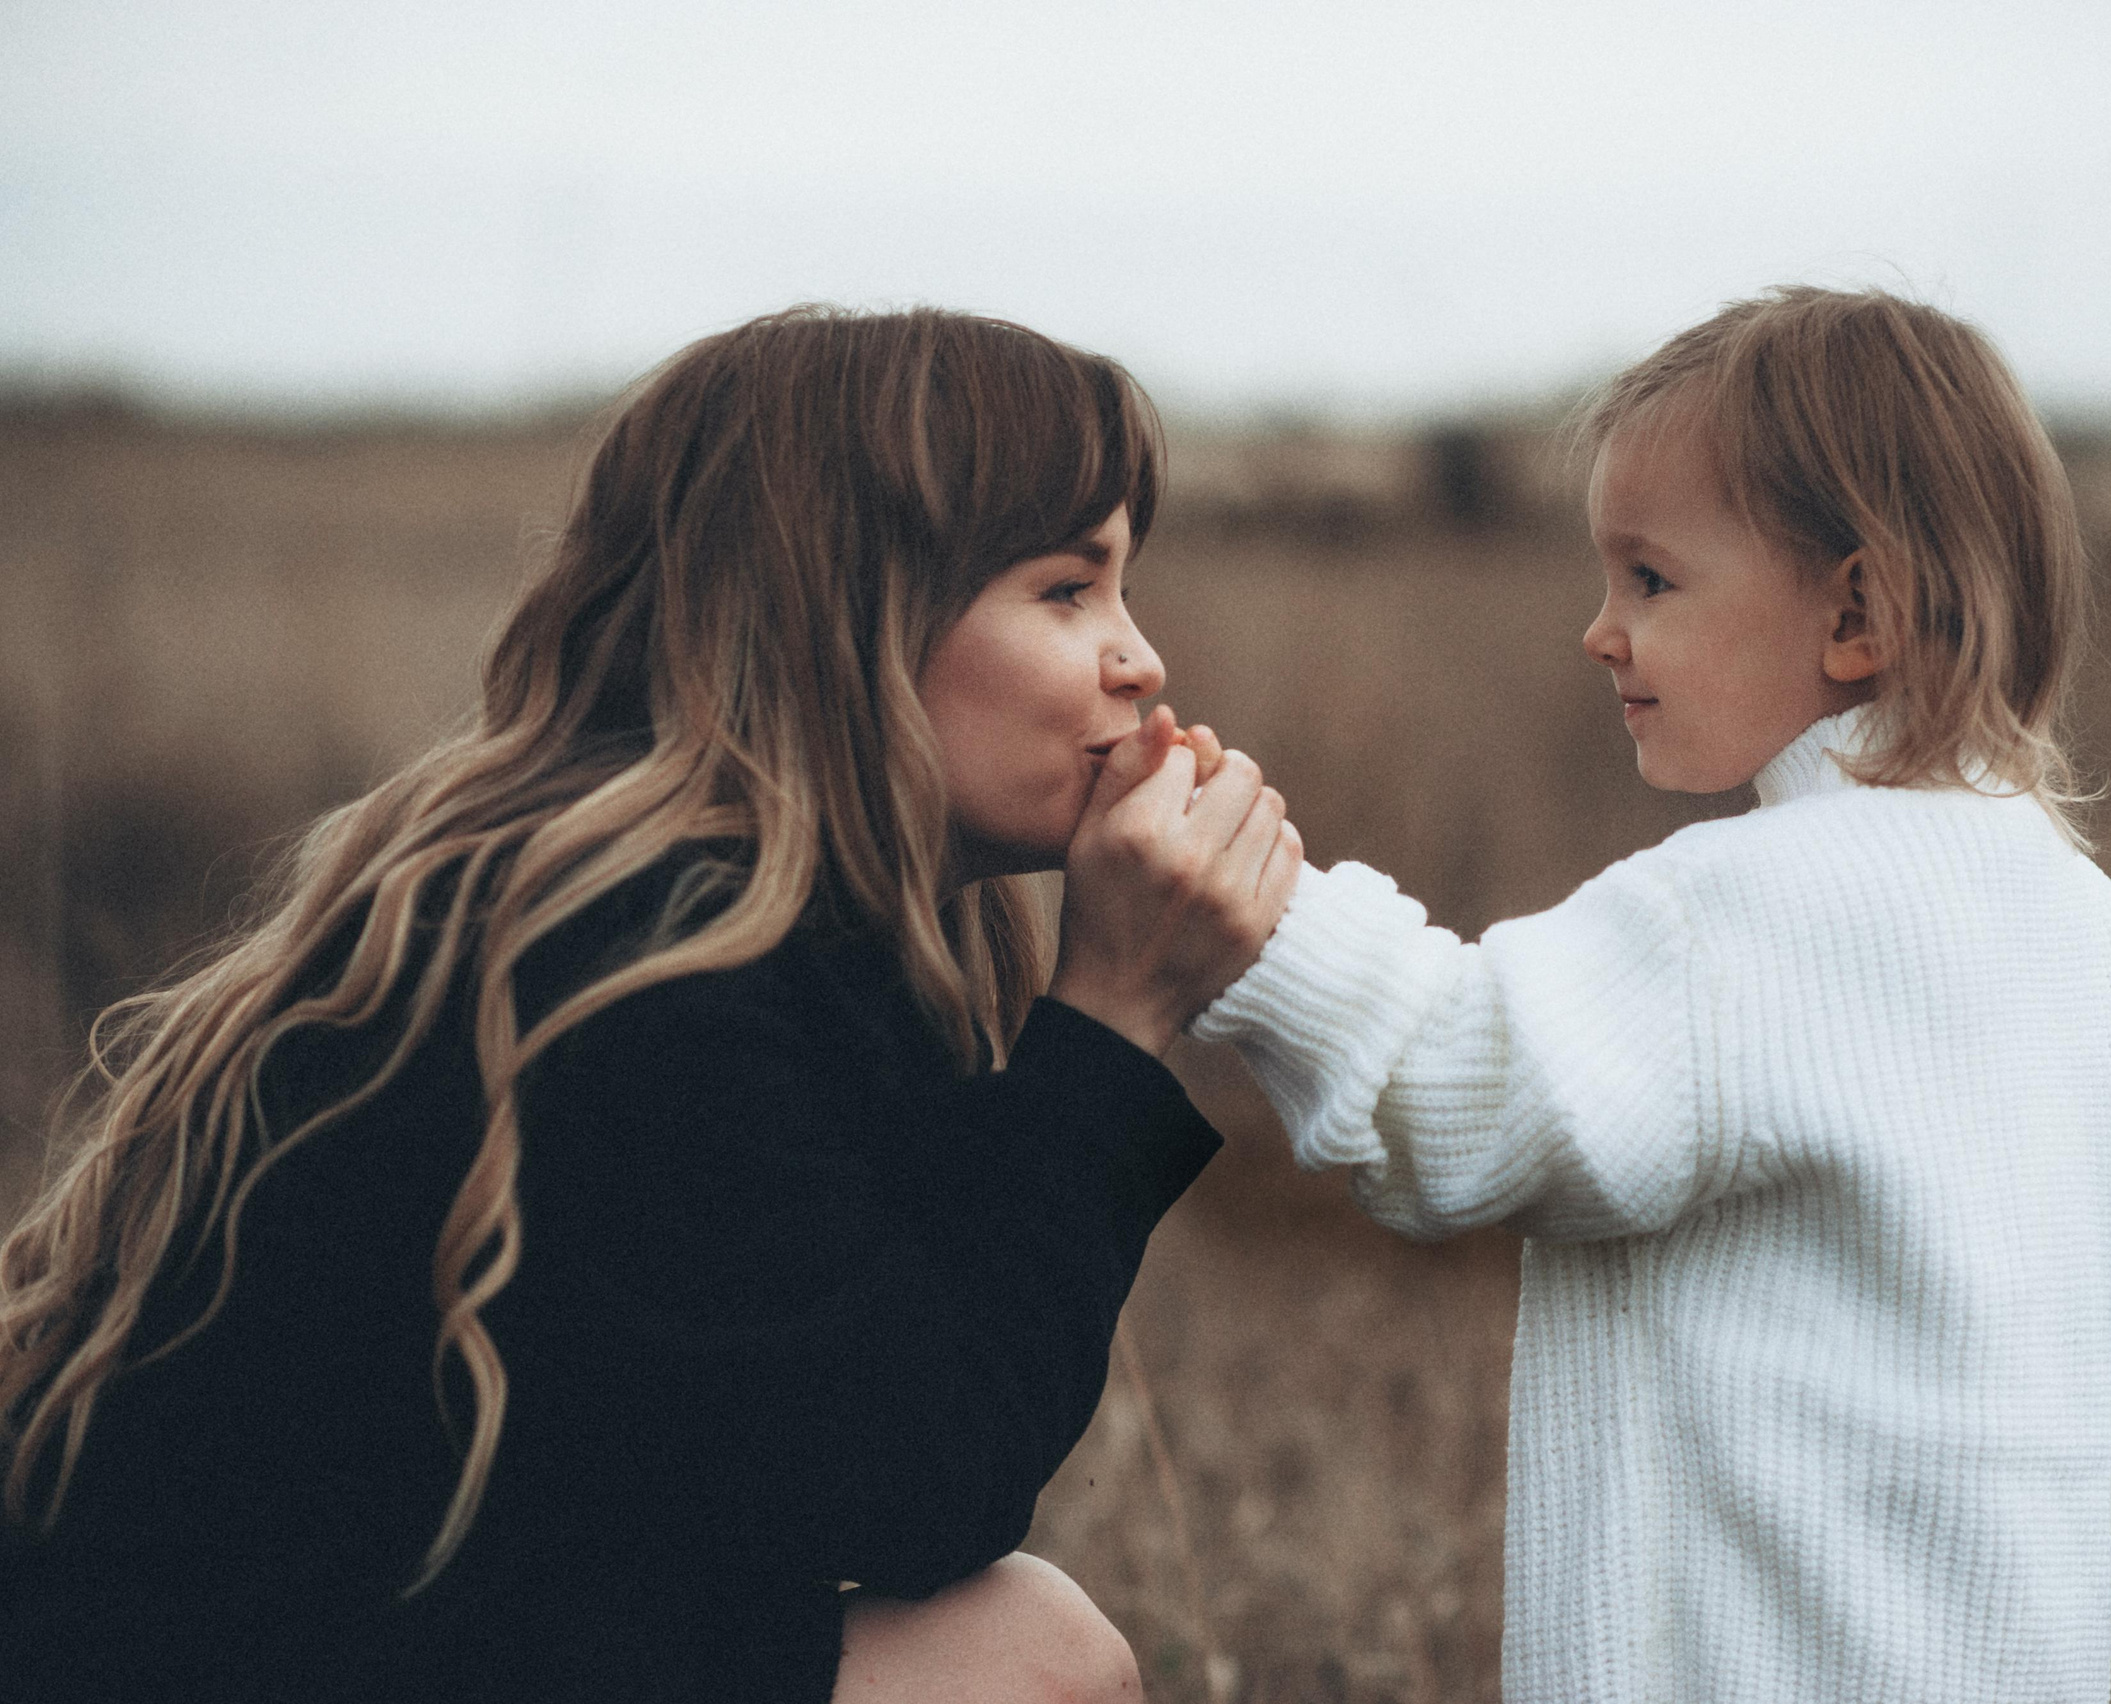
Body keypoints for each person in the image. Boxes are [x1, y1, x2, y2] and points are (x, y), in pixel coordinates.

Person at [0, 305, 1298, 1702]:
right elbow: (917, 1485)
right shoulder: (645, 968)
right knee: (1025, 1661)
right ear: (845, 617)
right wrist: (1106, 1018)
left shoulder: (738, 919)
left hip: (368, 1627)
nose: (1139, 661)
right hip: (224, 1660)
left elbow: (823, 1458)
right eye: (1066, 590)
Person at [1192, 287, 2111, 1701]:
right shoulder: (2075, 912)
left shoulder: (1743, 920)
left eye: (1650, 580)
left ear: (1858, 612)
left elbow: (1457, 1082)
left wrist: (1255, 912)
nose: (1601, 629)